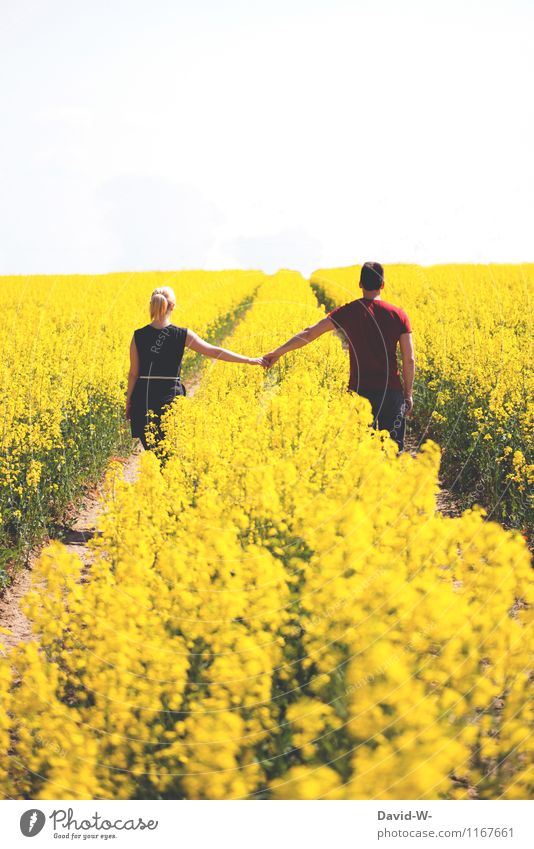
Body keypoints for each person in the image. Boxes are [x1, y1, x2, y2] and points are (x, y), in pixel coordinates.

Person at [263, 262, 415, 450]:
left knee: (358, 453)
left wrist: (278, 352)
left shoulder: (349, 311)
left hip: (359, 392)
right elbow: (409, 359)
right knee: (393, 453)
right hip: (391, 393)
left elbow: (309, 333)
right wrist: (407, 394)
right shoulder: (398, 315)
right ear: (383, 284)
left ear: (360, 283)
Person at [126, 286, 266, 450]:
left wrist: (129, 403)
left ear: (152, 305)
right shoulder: (181, 334)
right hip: (169, 399)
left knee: (152, 452)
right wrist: (249, 360)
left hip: (143, 399)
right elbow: (215, 351)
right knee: (170, 454)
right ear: (173, 306)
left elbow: (133, 373)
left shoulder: (138, 335)